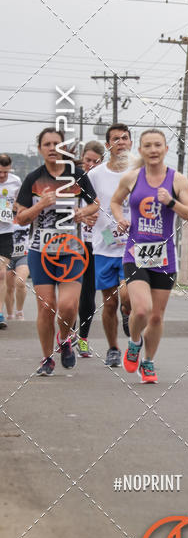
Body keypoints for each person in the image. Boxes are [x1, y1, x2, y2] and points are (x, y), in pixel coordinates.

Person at [110, 129, 188, 383]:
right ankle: (134, 342)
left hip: (165, 257)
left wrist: (171, 202)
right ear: (141, 150)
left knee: (156, 316)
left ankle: (148, 362)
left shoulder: (178, 180)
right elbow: (115, 202)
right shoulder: (131, 178)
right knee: (141, 311)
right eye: (147, 145)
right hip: (135, 254)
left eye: (158, 145)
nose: (153, 150)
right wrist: (120, 219)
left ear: (166, 149)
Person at [15, 128, 98, 376]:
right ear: (40, 148)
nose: (52, 148)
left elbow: (95, 203)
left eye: (57, 144)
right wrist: (40, 204)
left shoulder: (78, 175)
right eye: (47, 144)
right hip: (40, 251)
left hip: (71, 250)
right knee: (47, 305)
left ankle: (64, 340)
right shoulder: (33, 179)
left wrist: (83, 213)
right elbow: (20, 218)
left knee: (68, 306)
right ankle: (46, 357)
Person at [87, 124, 133, 368]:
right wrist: (84, 214)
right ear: (107, 146)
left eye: (125, 138)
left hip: (135, 247)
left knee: (130, 298)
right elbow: (83, 203)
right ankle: (113, 348)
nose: (121, 142)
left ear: (131, 143)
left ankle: (129, 314)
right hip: (105, 245)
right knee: (109, 302)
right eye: (115, 139)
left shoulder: (142, 171)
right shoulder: (95, 175)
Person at [75, 141, 103, 357]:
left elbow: (112, 215)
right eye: (88, 160)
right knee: (69, 294)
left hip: (96, 243)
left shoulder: (105, 181)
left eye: (95, 161)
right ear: (81, 159)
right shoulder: (73, 179)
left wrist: (108, 237)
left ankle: (83, 338)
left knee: (88, 294)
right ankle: (66, 335)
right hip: (74, 242)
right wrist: (83, 214)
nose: (91, 165)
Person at [0, 154, 23, 328]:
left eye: (5, 172)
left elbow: (21, 204)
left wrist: (15, 206)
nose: (2, 176)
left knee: (1, 274)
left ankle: (0, 314)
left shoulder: (15, 181)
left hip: (6, 233)